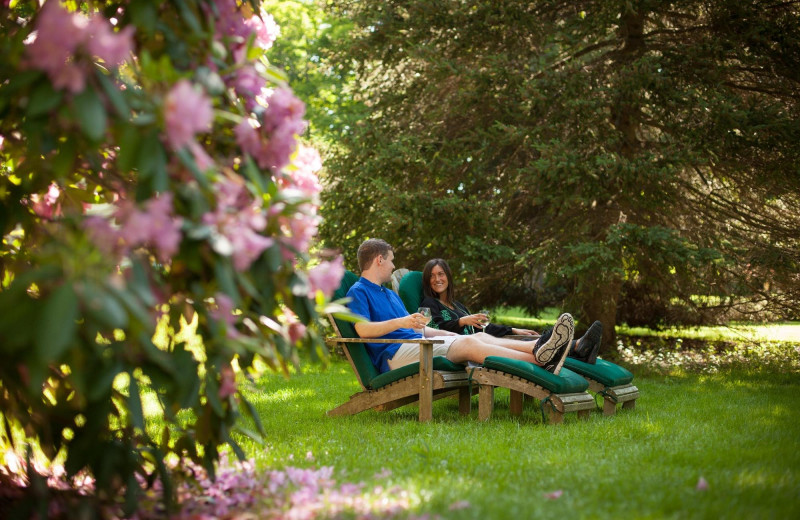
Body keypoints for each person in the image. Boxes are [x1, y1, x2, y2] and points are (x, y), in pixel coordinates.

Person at [346, 238, 575, 375]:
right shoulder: (358, 291)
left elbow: (416, 327)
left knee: (479, 338)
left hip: (416, 343)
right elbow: (362, 330)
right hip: (394, 354)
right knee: (468, 343)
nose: (393, 265)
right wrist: (402, 322)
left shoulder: (389, 294)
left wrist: (443, 332)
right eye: (391, 259)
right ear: (379, 260)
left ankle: (540, 345)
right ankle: (540, 362)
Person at [420, 258, 603, 364]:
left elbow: (484, 329)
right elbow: (435, 331)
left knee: (527, 339)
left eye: (441, 274)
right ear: (427, 280)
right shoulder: (429, 303)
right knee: (531, 347)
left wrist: (513, 330)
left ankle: (578, 348)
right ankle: (577, 347)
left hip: (480, 341)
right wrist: (462, 322)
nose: (437, 279)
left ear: (448, 277)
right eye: (433, 276)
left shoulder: (459, 306)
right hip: (463, 350)